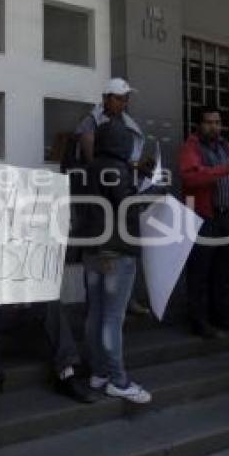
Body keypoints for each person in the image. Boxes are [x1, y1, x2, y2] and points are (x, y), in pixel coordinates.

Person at [80, 117, 152, 403]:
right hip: (117, 249)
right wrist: (148, 193)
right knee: (113, 317)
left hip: (91, 249)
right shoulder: (117, 169)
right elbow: (127, 206)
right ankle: (118, 380)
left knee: (95, 313)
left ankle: (98, 373)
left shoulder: (88, 168)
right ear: (123, 143)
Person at [179, 105, 229, 338]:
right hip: (205, 218)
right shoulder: (191, 147)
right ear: (199, 124)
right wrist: (224, 170)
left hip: (227, 216)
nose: (214, 126)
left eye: (217, 122)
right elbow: (191, 178)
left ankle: (220, 318)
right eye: (208, 122)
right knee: (200, 272)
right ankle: (198, 322)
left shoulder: (227, 146)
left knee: (221, 271)